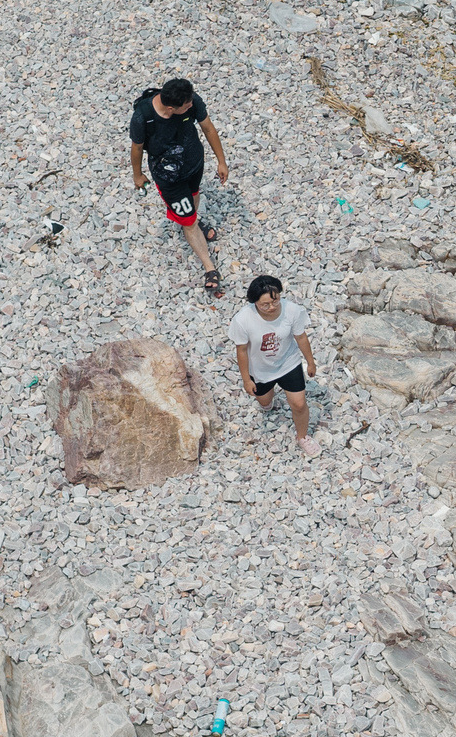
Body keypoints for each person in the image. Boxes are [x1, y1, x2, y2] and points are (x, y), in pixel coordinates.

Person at [128, 77, 231, 297]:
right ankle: (210, 268)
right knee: (189, 221)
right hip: (168, 178)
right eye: (186, 106)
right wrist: (138, 175)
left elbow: (208, 129)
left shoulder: (191, 100)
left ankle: (191, 220)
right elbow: (137, 148)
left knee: (194, 197)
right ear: (170, 108)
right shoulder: (143, 118)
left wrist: (221, 161)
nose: (191, 106)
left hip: (194, 165)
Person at [230, 274, 321, 457]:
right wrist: (246, 379)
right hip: (260, 368)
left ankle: (302, 437)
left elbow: (301, 337)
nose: (271, 307)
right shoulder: (243, 320)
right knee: (264, 401)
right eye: (265, 305)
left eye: (275, 301)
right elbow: (241, 351)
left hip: (288, 362)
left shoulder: (292, 311)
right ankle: (268, 400)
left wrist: (310, 362)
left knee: (299, 403)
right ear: (254, 302)